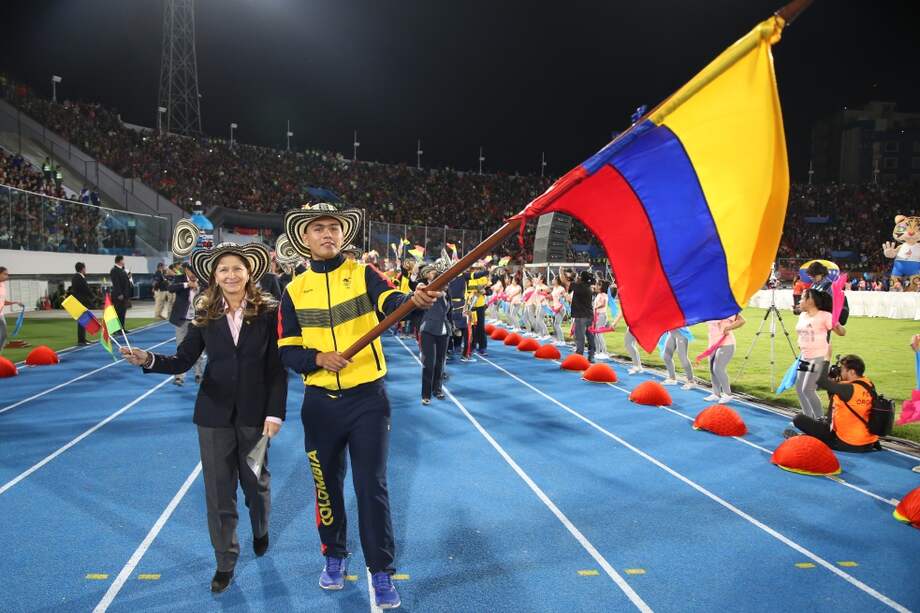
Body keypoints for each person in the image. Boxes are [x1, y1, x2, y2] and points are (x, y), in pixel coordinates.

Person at [276, 203, 440, 609]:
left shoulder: (363, 273)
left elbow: (390, 300)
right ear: (305, 238)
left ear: (342, 235)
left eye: (333, 228)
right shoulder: (293, 291)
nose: (327, 234)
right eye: (319, 229)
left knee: (372, 487)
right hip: (319, 405)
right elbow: (286, 351)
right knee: (326, 488)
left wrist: (411, 300)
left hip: (368, 399)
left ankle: (380, 570)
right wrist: (318, 358)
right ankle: (334, 556)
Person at [121, 242, 287, 594]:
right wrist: (147, 359)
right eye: (223, 269)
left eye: (237, 268)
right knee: (218, 492)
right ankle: (225, 561)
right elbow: (183, 360)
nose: (230, 274)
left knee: (256, 486)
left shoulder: (270, 312)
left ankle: (260, 527)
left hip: (256, 417)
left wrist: (275, 413)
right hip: (213, 416)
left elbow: (276, 369)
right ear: (215, 275)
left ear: (249, 273)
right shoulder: (204, 312)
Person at [787, 350, 879, 452]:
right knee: (823, 424)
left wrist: (826, 359)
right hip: (868, 443)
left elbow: (821, 381)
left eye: (843, 369)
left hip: (846, 443)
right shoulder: (868, 385)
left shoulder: (847, 388)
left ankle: (805, 438)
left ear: (852, 372)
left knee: (798, 419)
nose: (840, 371)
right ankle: (810, 436)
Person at [794, 289, 845, 419]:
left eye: (802, 298)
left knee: (808, 390)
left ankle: (819, 420)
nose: (799, 300)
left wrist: (837, 325)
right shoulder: (803, 316)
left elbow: (842, 332)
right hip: (805, 357)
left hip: (818, 358)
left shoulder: (825, 316)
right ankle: (808, 419)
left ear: (810, 300)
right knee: (800, 389)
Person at [167, 263, 206, 386]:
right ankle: (179, 377)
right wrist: (187, 285)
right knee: (180, 347)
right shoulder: (180, 279)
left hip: (198, 320)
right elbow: (170, 288)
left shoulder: (204, 281)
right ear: (186, 271)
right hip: (182, 320)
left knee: (199, 348)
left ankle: (198, 374)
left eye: (196, 273)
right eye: (191, 273)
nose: (194, 275)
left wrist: (198, 287)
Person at [418, 263, 451, 404]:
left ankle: (437, 389)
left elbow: (449, 311)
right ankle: (426, 394)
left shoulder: (447, 293)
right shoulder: (426, 288)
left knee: (440, 362)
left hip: (444, 330)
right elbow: (415, 284)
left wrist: (452, 326)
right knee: (428, 363)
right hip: (428, 330)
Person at [704, 313, 746, 403]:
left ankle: (728, 394)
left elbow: (742, 321)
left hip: (726, 343)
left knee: (718, 368)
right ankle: (716, 394)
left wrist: (728, 328)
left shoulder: (726, 309)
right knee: (712, 369)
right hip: (712, 344)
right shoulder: (708, 310)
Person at [569, 270, 595, 362]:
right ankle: (591, 355)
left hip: (581, 316)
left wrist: (560, 271)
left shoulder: (579, 287)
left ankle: (579, 356)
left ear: (581, 278)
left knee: (580, 336)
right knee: (590, 336)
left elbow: (565, 282)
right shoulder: (588, 287)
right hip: (589, 315)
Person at [70, 262, 95, 345]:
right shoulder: (79, 277)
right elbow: (86, 289)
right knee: (82, 320)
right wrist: (93, 297)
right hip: (81, 301)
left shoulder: (75, 277)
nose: (85, 270)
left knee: (83, 321)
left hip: (79, 301)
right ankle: (81, 340)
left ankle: (82, 339)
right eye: (85, 268)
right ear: (82, 268)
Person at [0, 266, 24, 353]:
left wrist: (15, 302)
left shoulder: (3, 286)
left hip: (1, 315)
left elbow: (3, 301)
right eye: (5, 274)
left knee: (4, 334)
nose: (7, 276)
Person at [109, 255, 131, 331]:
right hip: (119, 296)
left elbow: (126, 282)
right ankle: (116, 329)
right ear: (120, 261)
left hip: (124, 295)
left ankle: (122, 328)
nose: (124, 262)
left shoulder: (122, 270)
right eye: (123, 260)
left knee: (122, 312)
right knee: (118, 312)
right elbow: (116, 283)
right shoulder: (114, 270)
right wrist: (119, 294)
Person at [592, 281, 609, 360]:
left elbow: (604, 304)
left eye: (598, 285)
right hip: (597, 315)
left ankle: (605, 352)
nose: (596, 286)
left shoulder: (604, 295)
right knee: (596, 334)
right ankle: (598, 352)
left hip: (601, 315)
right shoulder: (599, 295)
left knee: (599, 334)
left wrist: (596, 307)